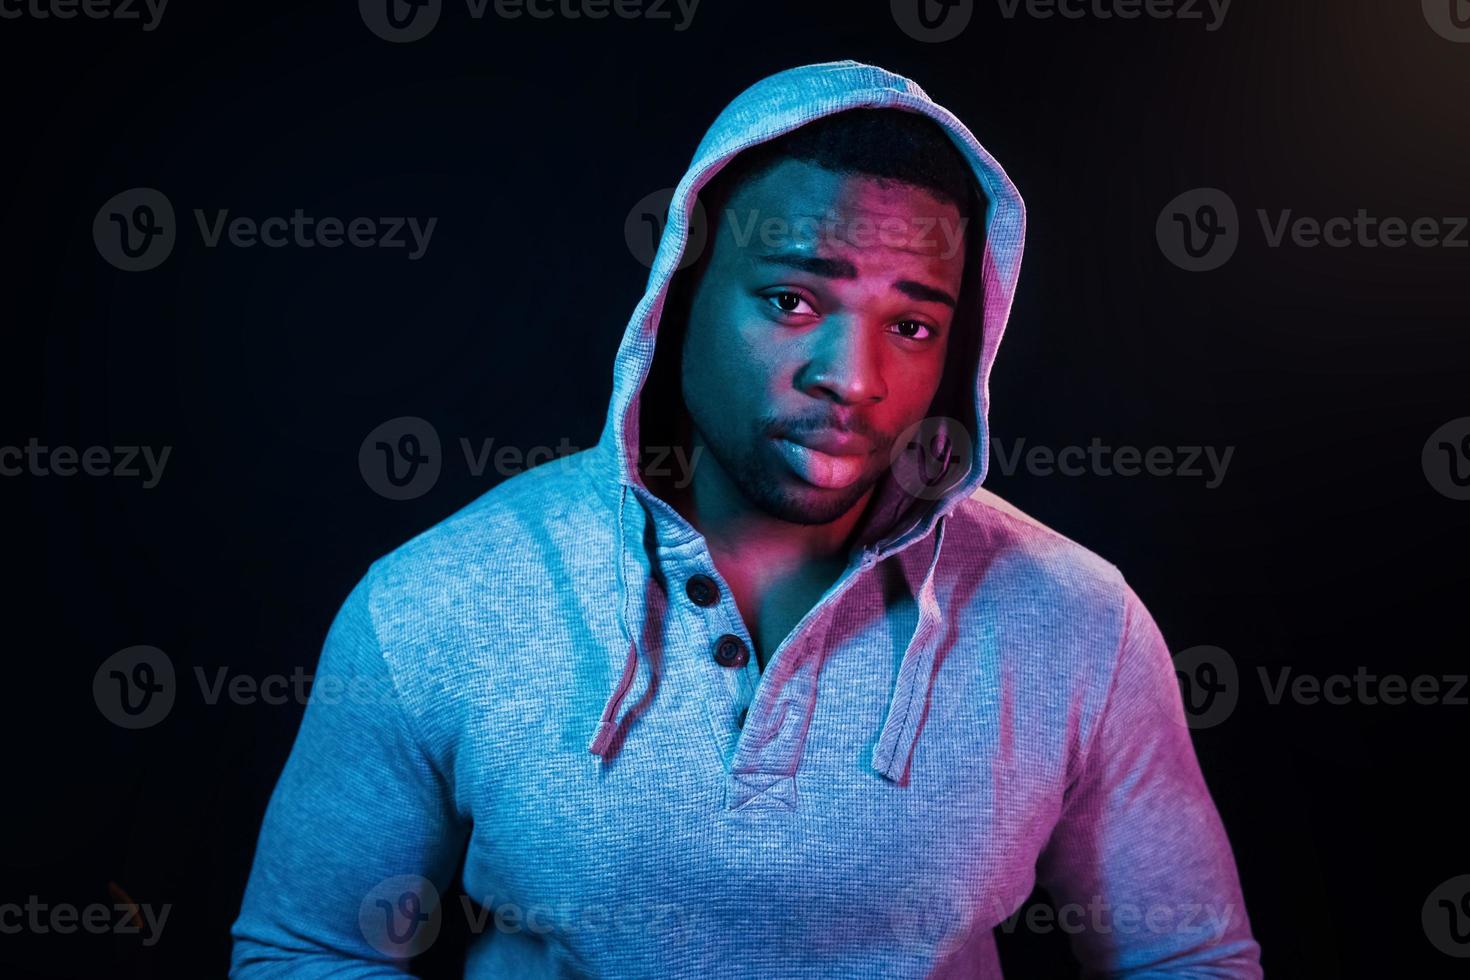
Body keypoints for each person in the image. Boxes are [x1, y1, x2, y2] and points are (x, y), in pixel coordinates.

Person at [230, 59, 1263, 977]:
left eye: (910, 324)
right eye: (792, 301)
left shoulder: (1080, 622)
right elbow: (307, 948)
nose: (853, 379)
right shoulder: (442, 598)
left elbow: (1190, 955)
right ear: (677, 297)